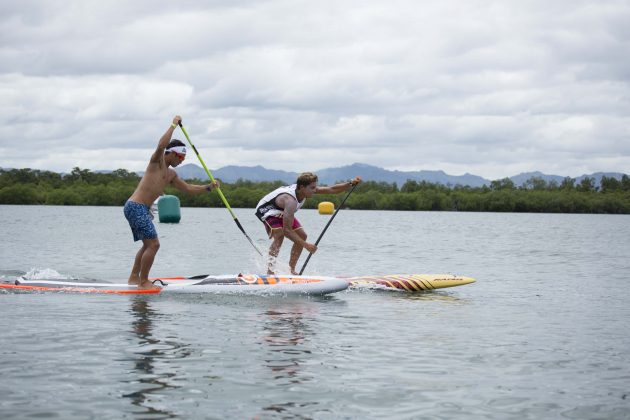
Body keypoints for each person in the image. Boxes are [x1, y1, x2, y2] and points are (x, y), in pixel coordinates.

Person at [124, 115, 219, 289]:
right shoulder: (156, 162)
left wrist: (208, 187)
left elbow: (189, 189)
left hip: (141, 209)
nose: (181, 162)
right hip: (135, 207)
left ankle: (134, 278)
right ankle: (144, 282)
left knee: (147, 244)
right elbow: (161, 145)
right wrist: (173, 125)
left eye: (183, 159)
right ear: (172, 154)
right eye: (180, 158)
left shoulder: (171, 175)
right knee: (154, 244)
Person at [255, 172, 361, 275]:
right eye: (312, 188)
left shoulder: (305, 190)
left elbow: (332, 189)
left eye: (315, 187)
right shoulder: (290, 200)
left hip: (283, 210)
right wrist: (306, 246)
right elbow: (287, 231)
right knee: (280, 235)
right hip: (267, 209)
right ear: (301, 187)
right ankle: (270, 271)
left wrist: (350, 183)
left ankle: (291, 270)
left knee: (302, 235)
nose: (315, 190)